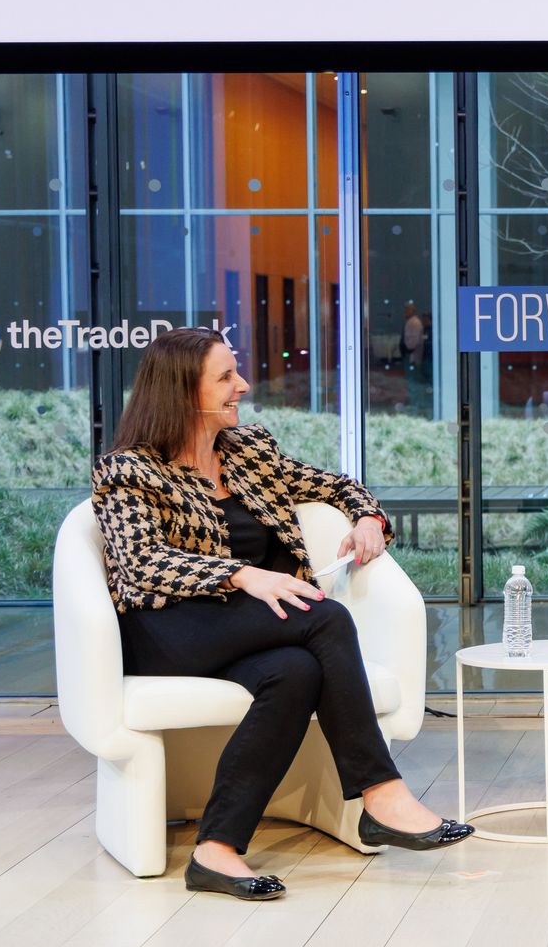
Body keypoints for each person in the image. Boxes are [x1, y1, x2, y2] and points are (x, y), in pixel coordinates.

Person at [93, 327, 471, 901]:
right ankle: (380, 793)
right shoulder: (127, 471)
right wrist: (241, 574)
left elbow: (335, 485)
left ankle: (215, 851)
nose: (241, 385)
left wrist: (368, 518)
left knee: (296, 672)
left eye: (235, 371)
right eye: (225, 377)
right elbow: (142, 563)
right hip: (169, 628)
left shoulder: (249, 451)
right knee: (325, 617)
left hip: (242, 628)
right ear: (179, 390)